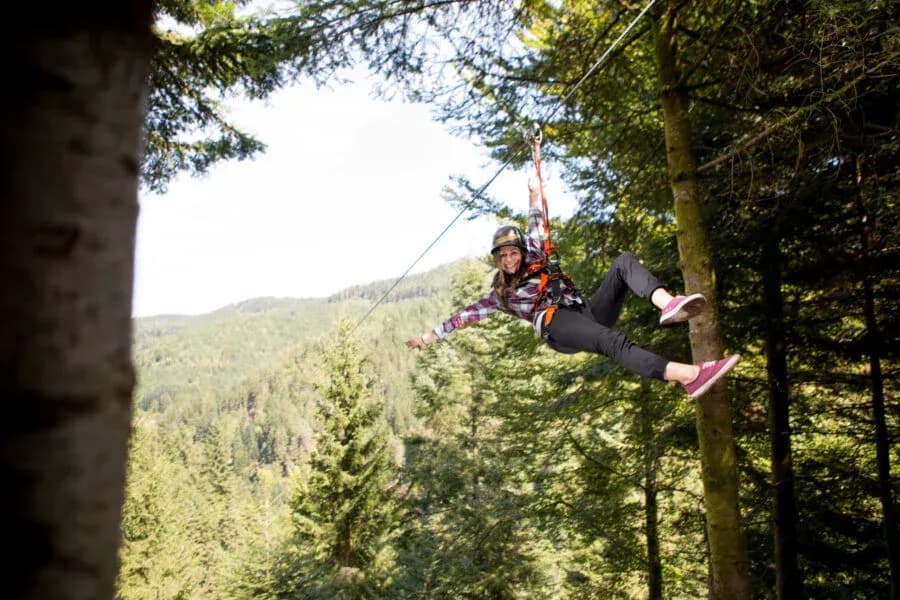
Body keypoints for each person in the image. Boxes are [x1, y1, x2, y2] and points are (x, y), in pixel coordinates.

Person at [405, 172, 740, 400]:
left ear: (521, 252)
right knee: (612, 342)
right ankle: (689, 375)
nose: (509, 259)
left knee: (623, 263)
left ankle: (667, 303)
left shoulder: (537, 255)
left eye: (513, 252)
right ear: (498, 260)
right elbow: (463, 317)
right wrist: (427, 338)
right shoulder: (501, 296)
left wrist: (534, 188)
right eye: (503, 255)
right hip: (556, 325)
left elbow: (537, 216)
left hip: (584, 313)